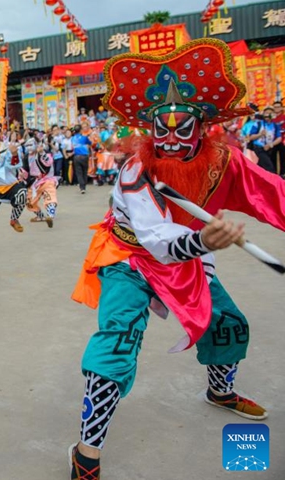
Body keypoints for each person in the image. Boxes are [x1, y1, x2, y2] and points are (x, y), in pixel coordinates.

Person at [69, 39, 284, 479]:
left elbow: (273, 193)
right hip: (129, 255)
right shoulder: (135, 170)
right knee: (117, 343)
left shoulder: (225, 161)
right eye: (158, 128)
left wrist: (202, 243)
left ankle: (219, 390)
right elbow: (156, 237)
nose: (168, 139)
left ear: (202, 126)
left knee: (227, 321)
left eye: (181, 126)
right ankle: (86, 453)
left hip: (188, 258)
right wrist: (205, 239)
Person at [22, 139, 58, 228]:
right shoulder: (26, 157)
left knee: (50, 196)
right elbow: (25, 170)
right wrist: (22, 177)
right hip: (34, 183)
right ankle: (40, 216)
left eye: (31, 145)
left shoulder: (44, 153)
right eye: (27, 145)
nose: (29, 147)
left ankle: (50, 215)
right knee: (29, 200)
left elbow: (49, 163)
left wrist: (42, 152)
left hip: (47, 179)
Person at [71, 125, 91, 193]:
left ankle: (81, 187)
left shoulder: (72, 138)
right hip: (84, 156)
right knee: (85, 171)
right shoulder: (84, 137)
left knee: (79, 173)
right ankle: (84, 186)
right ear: (80, 130)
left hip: (76, 156)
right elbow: (90, 143)